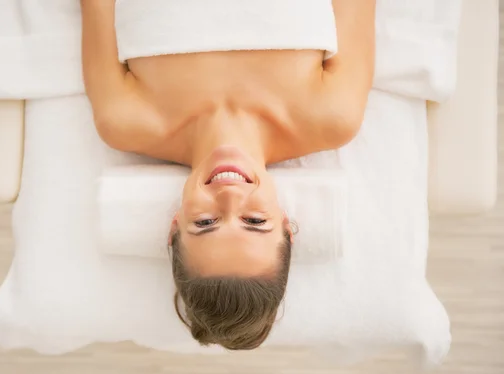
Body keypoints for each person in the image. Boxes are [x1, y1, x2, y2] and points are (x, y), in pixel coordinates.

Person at [81, 0, 375, 350]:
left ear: (174, 225)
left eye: (205, 223)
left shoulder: (125, 120)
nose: (231, 195)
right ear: (286, 224)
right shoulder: (331, 116)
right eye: (254, 220)